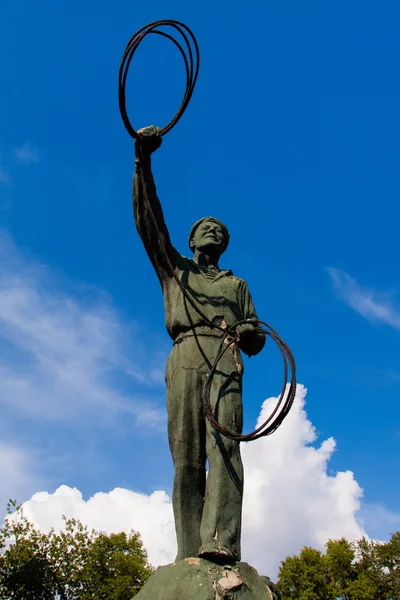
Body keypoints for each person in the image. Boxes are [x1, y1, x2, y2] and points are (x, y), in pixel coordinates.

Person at [133, 126, 265, 562]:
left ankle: (221, 542)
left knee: (225, 445)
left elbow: (257, 337)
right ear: (191, 242)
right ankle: (189, 551)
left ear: (225, 244)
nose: (213, 231)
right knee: (187, 458)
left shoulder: (237, 284)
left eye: (219, 230)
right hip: (186, 355)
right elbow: (149, 221)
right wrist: (143, 161)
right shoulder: (175, 270)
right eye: (205, 228)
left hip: (225, 358)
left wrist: (247, 333)